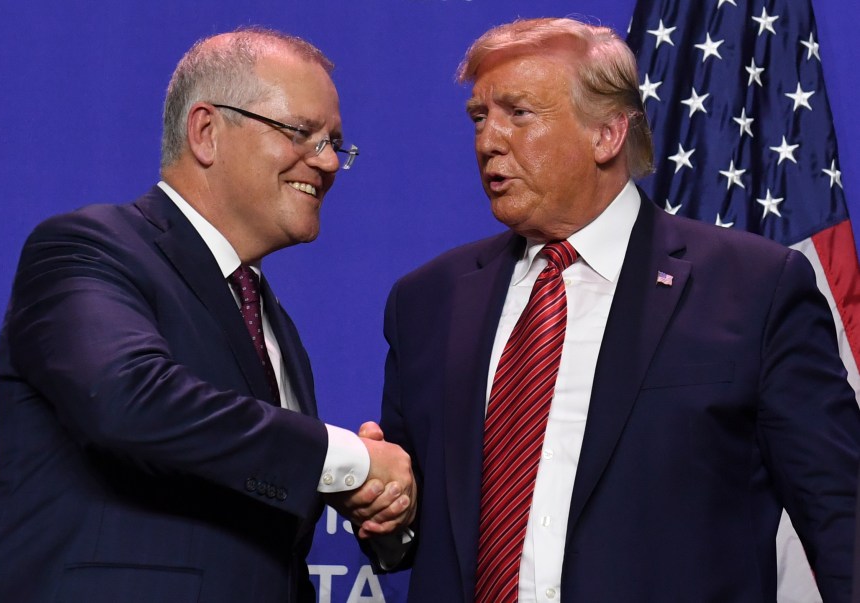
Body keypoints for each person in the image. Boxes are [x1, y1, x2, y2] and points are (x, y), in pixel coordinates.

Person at [355, 17, 860, 602]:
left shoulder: (754, 288)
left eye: (519, 113)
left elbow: (840, 515)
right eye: (479, 117)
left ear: (608, 134)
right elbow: (407, 535)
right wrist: (390, 511)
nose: (488, 140)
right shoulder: (428, 300)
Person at [0, 27, 414, 603]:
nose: (326, 163)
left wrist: (371, 501)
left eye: (334, 143)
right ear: (206, 131)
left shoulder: (274, 324)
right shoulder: (88, 247)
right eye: (302, 133)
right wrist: (347, 459)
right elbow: (128, 400)